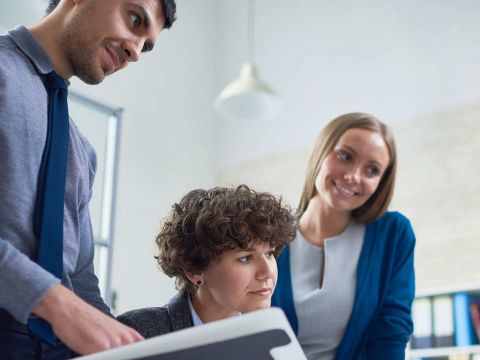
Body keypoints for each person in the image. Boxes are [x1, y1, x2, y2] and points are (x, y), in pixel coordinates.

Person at [0, 0, 176, 358]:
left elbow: (80, 282)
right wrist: (53, 301)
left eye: (146, 44)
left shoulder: (82, 152)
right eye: (134, 18)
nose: (135, 51)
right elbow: (67, 300)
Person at [271, 113, 416, 359]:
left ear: (381, 182)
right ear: (321, 152)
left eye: (372, 170)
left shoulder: (393, 234)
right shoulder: (268, 237)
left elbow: (391, 331)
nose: (353, 176)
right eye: (345, 156)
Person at [118, 185, 296, 338]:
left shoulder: (272, 338)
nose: (267, 272)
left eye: (269, 254)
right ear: (194, 269)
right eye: (245, 258)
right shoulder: (138, 332)